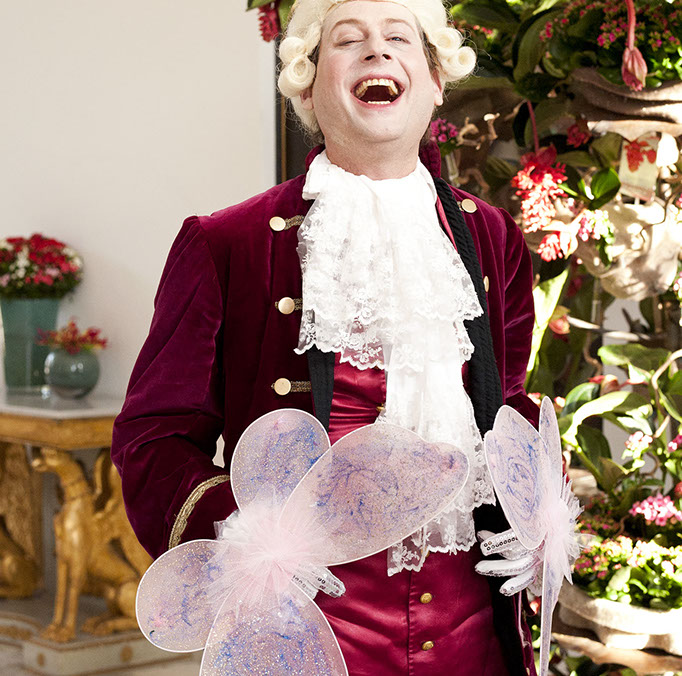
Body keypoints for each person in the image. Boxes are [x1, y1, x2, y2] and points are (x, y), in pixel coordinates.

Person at [111, 1, 540, 673]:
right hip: (309, 639)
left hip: (472, 642)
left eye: (399, 37)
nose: (377, 50)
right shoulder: (226, 243)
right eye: (348, 39)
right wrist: (239, 534)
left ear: (435, 82)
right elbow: (154, 436)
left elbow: (508, 403)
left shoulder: (492, 236)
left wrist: (538, 501)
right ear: (307, 86)